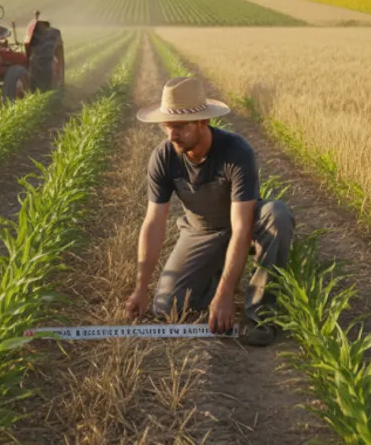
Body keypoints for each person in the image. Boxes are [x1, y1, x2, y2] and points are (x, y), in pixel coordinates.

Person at [124, 76, 295, 347]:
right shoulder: (163, 157)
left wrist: (226, 295)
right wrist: (140, 288)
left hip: (246, 225)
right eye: (167, 126)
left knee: (277, 214)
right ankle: (217, 274)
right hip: (201, 230)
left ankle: (263, 313)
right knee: (168, 308)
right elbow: (153, 223)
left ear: (203, 121)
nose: (172, 135)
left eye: (180, 127)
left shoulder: (236, 152)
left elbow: (241, 228)